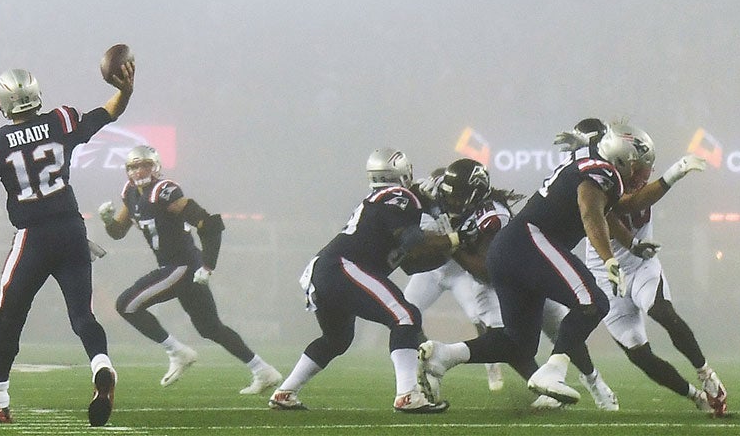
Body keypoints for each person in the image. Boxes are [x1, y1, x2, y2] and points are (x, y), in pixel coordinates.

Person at [417, 128, 652, 406]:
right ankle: (553, 372)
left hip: (510, 252)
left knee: (518, 344)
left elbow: (612, 207)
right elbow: (591, 213)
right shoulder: (605, 173)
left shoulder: (590, 161)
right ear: (621, 160)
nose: (640, 174)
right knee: (594, 302)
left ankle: (443, 357)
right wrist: (609, 258)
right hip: (530, 241)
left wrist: (633, 241)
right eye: (638, 166)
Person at [0, 56, 135, 426]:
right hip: (73, 231)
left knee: (9, 318)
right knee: (82, 315)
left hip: (33, 237)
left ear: (2, 103)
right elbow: (109, 112)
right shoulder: (61, 122)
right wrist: (125, 90)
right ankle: (102, 367)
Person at [551, 120, 724, 415]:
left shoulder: (614, 172)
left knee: (660, 311)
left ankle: (707, 374)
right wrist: (674, 173)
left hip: (639, 265)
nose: (642, 171)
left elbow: (626, 204)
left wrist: (632, 247)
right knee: (639, 354)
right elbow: (618, 209)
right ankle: (695, 396)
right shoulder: (595, 179)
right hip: (606, 272)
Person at [268, 148, 449, 414]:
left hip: (325, 270)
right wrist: (452, 239)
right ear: (402, 172)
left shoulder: (380, 199)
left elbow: (411, 263)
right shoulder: (399, 196)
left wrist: (445, 251)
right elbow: (411, 239)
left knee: (336, 339)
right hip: (343, 266)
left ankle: (285, 392)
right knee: (406, 316)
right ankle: (408, 395)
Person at [98, 144, 278, 394]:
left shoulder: (164, 191)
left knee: (126, 305)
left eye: (145, 165)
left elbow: (209, 223)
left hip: (181, 265)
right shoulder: (130, 192)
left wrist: (208, 264)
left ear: (156, 166)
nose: (139, 171)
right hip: (177, 266)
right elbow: (118, 231)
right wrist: (108, 222)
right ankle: (263, 370)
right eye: (134, 166)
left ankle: (177, 352)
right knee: (210, 328)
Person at [402, 159, 514, 394]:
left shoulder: (472, 204)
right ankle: (424, 358)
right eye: (446, 193)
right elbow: (407, 204)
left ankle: (491, 364)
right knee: (404, 314)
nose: (451, 200)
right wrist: (417, 193)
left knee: (480, 317)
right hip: (432, 270)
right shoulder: (429, 193)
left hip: (460, 269)